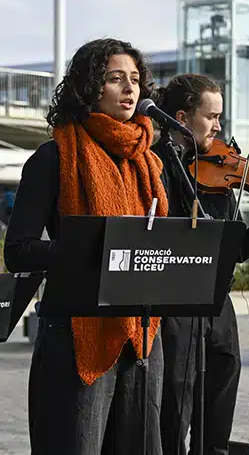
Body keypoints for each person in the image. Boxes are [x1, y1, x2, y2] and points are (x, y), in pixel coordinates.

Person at [3, 38, 168, 454]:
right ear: (90, 87)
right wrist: (89, 248)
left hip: (141, 337)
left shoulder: (148, 162)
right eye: (116, 79)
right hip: (75, 336)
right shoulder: (54, 157)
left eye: (135, 80)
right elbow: (18, 250)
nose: (130, 89)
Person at [151, 72, 249, 455]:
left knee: (223, 385)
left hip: (217, 301)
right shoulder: (156, 165)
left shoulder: (219, 178)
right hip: (175, 304)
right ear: (181, 117)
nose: (219, 127)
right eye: (211, 117)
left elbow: (238, 250)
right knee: (176, 401)